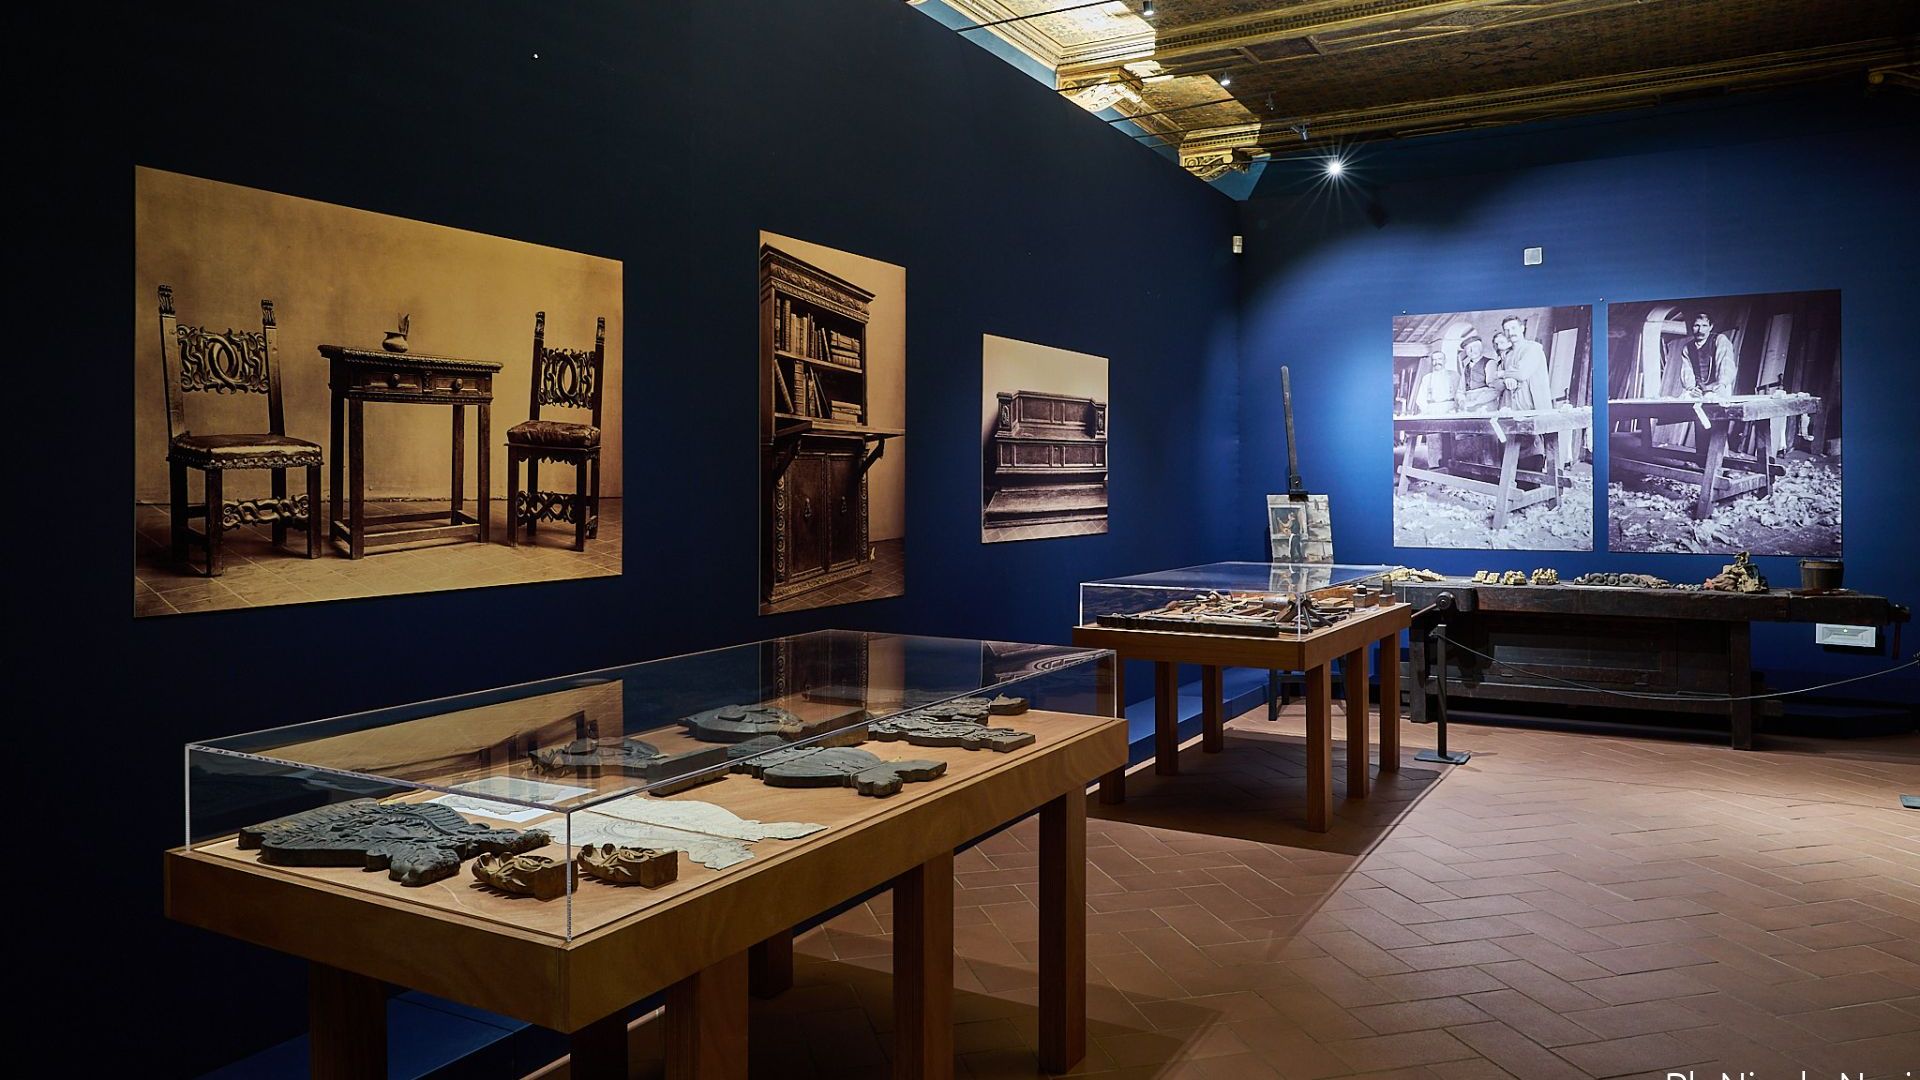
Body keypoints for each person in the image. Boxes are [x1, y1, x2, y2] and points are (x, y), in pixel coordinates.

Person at [1661, 312, 1738, 398]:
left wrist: (1722, 384)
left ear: (1711, 327)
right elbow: (1687, 371)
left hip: (1718, 387)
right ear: (1692, 327)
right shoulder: (1688, 348)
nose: (1700, 330)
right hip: (1699, 389)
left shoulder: (1719, 340)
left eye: (1704, 326)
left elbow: (1725, 364)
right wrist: (1691, 389)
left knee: (1713, 399)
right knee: (1685, 398)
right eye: (1696, 326)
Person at [1493, 318, 1553, 412]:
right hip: (1513, 410)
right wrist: (1506, 380)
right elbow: (1495, 381)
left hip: (1535, 409)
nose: (1511, 332)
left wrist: (1503, 374)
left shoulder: (1533, 348)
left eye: (1513, 328)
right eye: (1507, 330)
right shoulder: (1508, 355)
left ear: (1522, 328)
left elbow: (1522, 374)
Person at [1412, 345, 1459, 415]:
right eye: (1434, 360)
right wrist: (1426, 410)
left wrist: (1456, 409)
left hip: (1450, 409)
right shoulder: (1427, 378)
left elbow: (1459, 394)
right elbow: (1421, 398)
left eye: (1440, 359)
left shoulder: (1453, 375)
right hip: (1432, 409)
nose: (1437, 362)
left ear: (1445, 361)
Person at [1457, 335, 1500, 411]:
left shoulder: (1490, 363)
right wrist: (1462, 401)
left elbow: (1494, 389)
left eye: (1475, 347)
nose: (1472, 351)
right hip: (1469, 405)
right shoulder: (1466, 368)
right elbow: (1461, 390)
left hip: (1486, 404)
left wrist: (1476, 402)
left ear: (1480, 348)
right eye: (1468, 348)